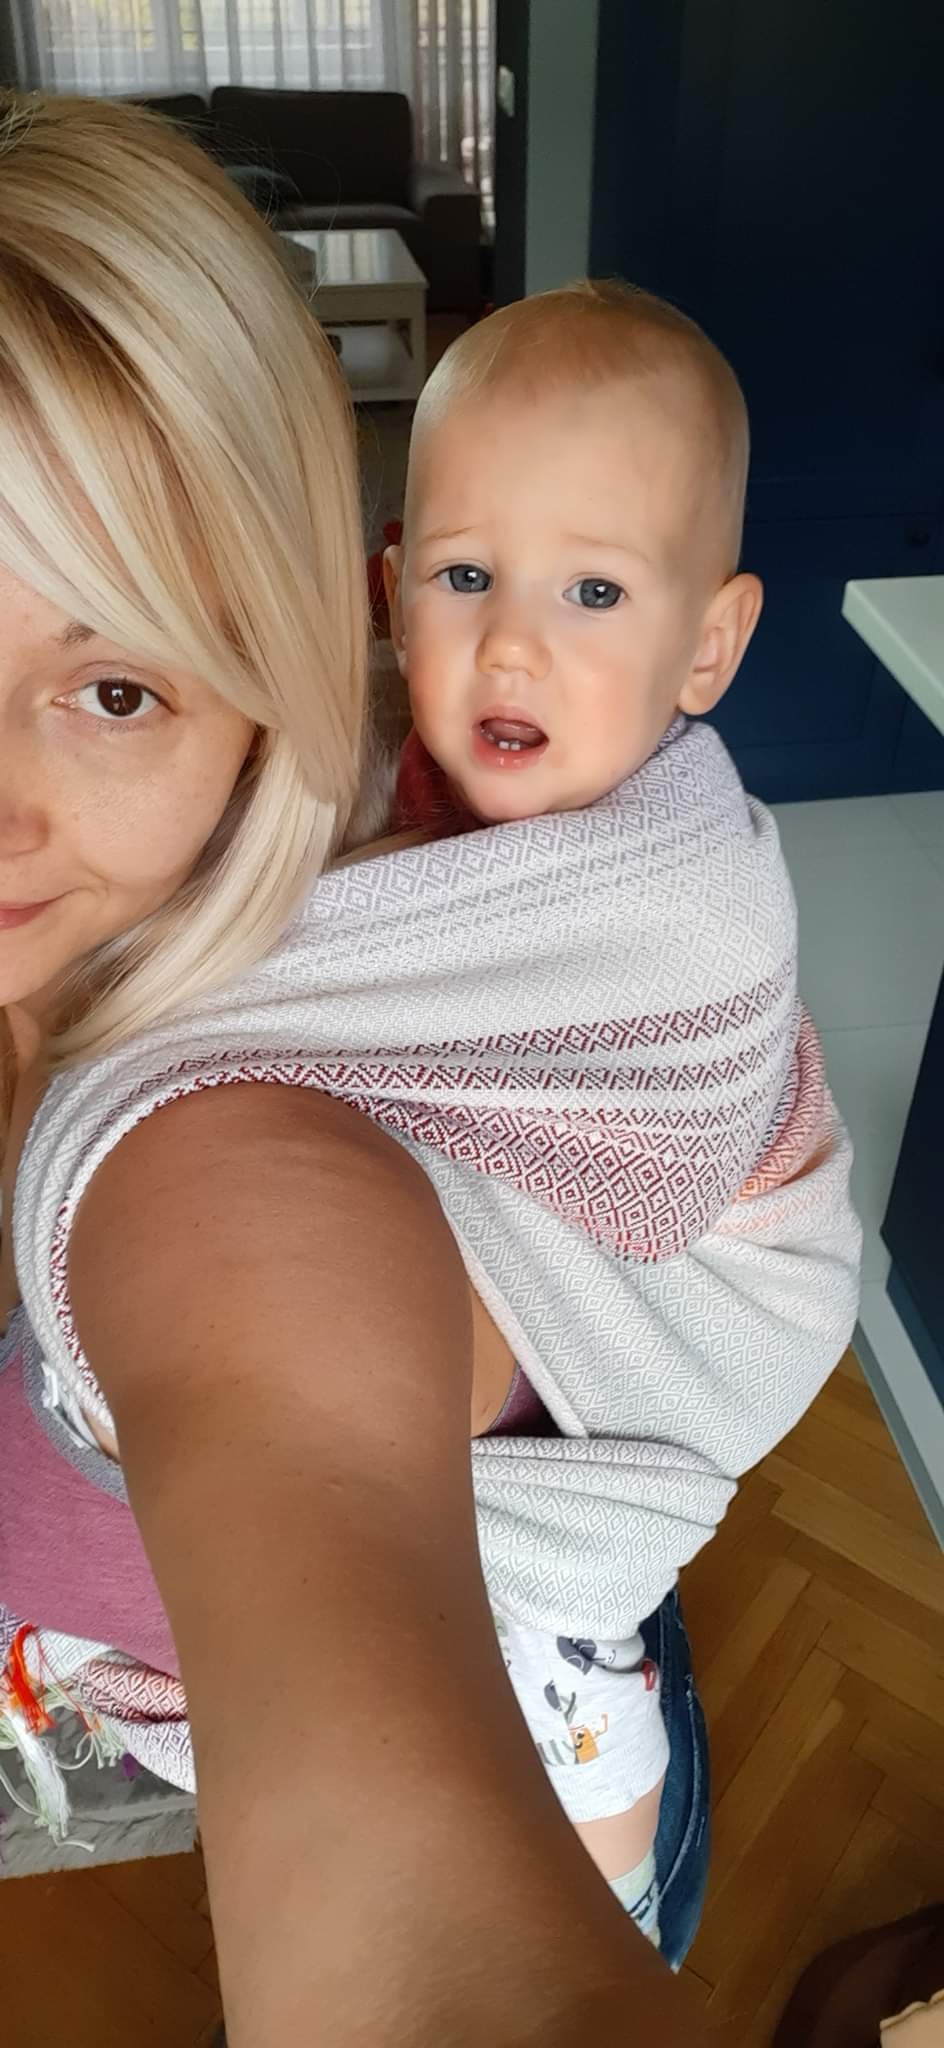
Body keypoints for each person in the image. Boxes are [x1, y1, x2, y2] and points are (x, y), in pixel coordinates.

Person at [0, 92, 720, 2046]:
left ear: (285, 680)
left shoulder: (229, 1162)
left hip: (566, 1793)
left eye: (114, 686)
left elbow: (432, 1976)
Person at [382, 282, 863, 1947]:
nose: (513, 645)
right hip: (512, 1271)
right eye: (466, 578)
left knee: (553, 1628)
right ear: (392, 592)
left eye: (594, 591)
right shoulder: (394, 782)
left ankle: (606, 1759)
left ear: (707, 647)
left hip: (700, 1279)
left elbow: (657, 1184)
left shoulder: (687, 890)